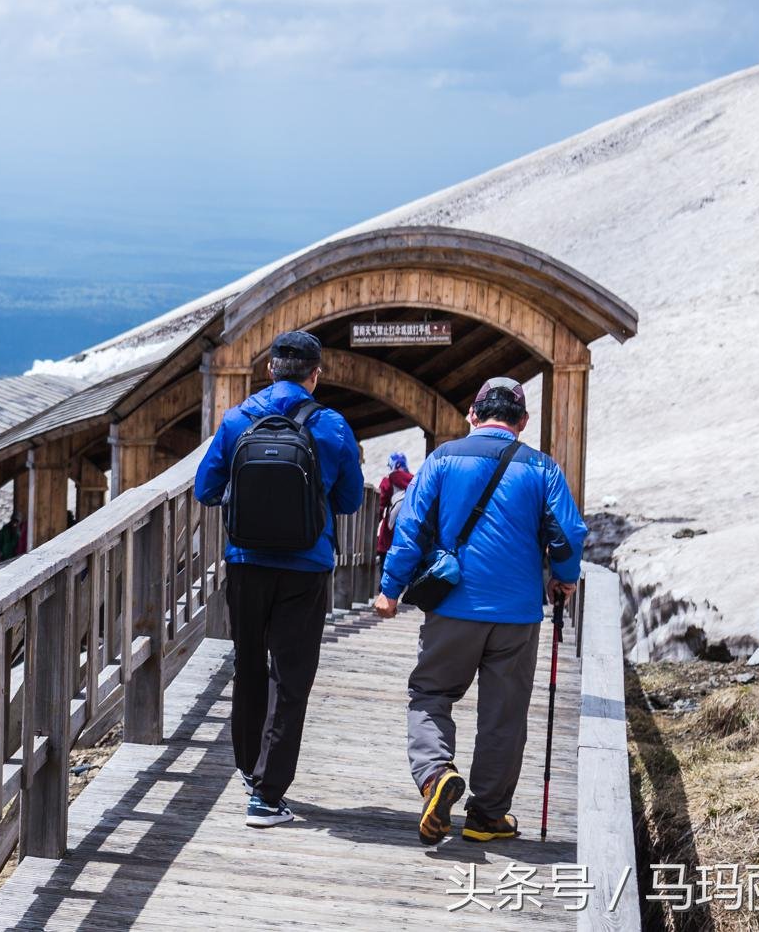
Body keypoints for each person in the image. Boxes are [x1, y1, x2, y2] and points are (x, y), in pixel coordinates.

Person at [374, 376, 587, 846]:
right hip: (517, 614)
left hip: (451, 605)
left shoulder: (443, 459)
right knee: (504, 714)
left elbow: (410, 525)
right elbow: (568, 533)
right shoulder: (542, 467)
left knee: (431, 692)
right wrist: (564, 576)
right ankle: (487, 816)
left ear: (472, 414)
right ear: (523, 422)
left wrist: (390, 589)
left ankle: (435, 775)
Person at [194, 330, 364, 828]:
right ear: (315, 375)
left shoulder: (236, 420)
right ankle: (268, 795)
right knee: (291, 679)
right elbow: (353, 501)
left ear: (269, 369)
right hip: (306, 568)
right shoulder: (331, 426)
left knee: (248, 664)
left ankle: (248, 770)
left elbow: (206, 488)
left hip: (246, 562)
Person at [375, 451, 413, 561]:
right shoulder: (415, 480)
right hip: (408, 536)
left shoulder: (388, 480)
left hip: (389, 538)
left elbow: (380, 506)